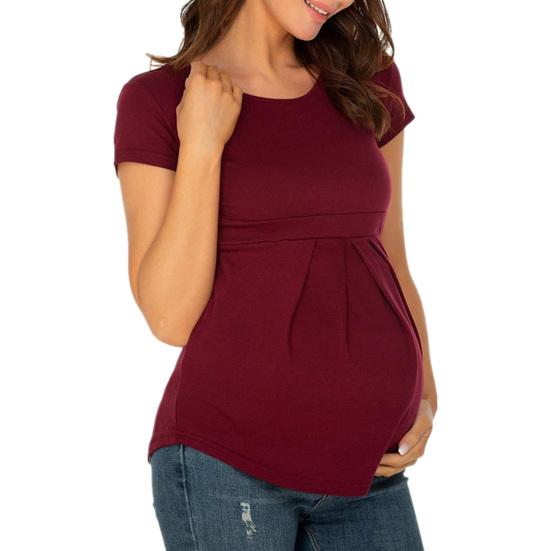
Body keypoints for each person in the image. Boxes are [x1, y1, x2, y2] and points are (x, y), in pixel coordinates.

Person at [113, 0, 437, 549]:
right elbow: (169, 318)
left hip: (370, 469)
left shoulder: (366, 80)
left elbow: (391, 255)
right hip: (229, 467)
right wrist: (203, 144)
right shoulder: (161, 99)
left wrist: (424, 392)